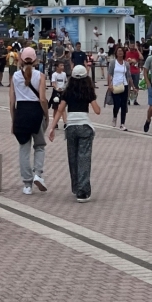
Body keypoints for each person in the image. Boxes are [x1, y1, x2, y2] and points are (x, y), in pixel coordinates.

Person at [48, 64, 101, 201]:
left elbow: (60, 110)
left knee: (73, 158)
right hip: (84, 126)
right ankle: (83, 191)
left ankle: (76, 187)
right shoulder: (88, 92)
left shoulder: (68, 92)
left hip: (70, 127)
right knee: (84, 158)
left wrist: (52, 128)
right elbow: (97, 111)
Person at [9, 47, 48, 195]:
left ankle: (27, 184)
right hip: (36, 112)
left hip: (21, 112)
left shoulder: (15, 77)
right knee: (40, 146)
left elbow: (11, 101)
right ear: (35, 60)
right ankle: (38, 173)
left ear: (20, 59)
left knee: (24, 148)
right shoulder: (40, 76)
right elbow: (42, 99)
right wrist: (46, 114)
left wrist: (13, 120)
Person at [108, 46, 131, 130]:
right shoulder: (113, 63)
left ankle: (122, 123)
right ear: (116, 53)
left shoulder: (126, 64)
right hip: (115, 85)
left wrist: (133, 86)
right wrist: (109, 85)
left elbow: (128, 75)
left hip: (124, 85)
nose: (120, 52)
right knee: (117, 104)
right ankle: (114, 117)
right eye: (118, 51)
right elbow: (109, 74)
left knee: (124, 105)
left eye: (121, 51)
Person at [50, 61, 68, 128]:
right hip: (56, 92)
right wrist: (57, 88)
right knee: (55, 108)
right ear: (57, 67)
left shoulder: (64, 74)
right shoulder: (54, 74)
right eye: (61, 65)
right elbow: (53, 83)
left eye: (63, 65)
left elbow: (65, 82)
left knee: (63, 107)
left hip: (63, 92)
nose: (62, 67)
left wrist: (64, 88)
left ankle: (65, 122)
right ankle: (55, 123)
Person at [125, 40, 142, 105]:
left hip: (136, 71)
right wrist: (131, 61)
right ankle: (128, 99)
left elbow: (141, 57)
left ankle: (135, 99)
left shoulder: (136, 53)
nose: (132, 47)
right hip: (129, 71)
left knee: (136, 86)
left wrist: (137, 49)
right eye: (131, 46)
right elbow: (125, 61)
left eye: (133, 46)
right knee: (128, 86)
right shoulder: (127, 53)